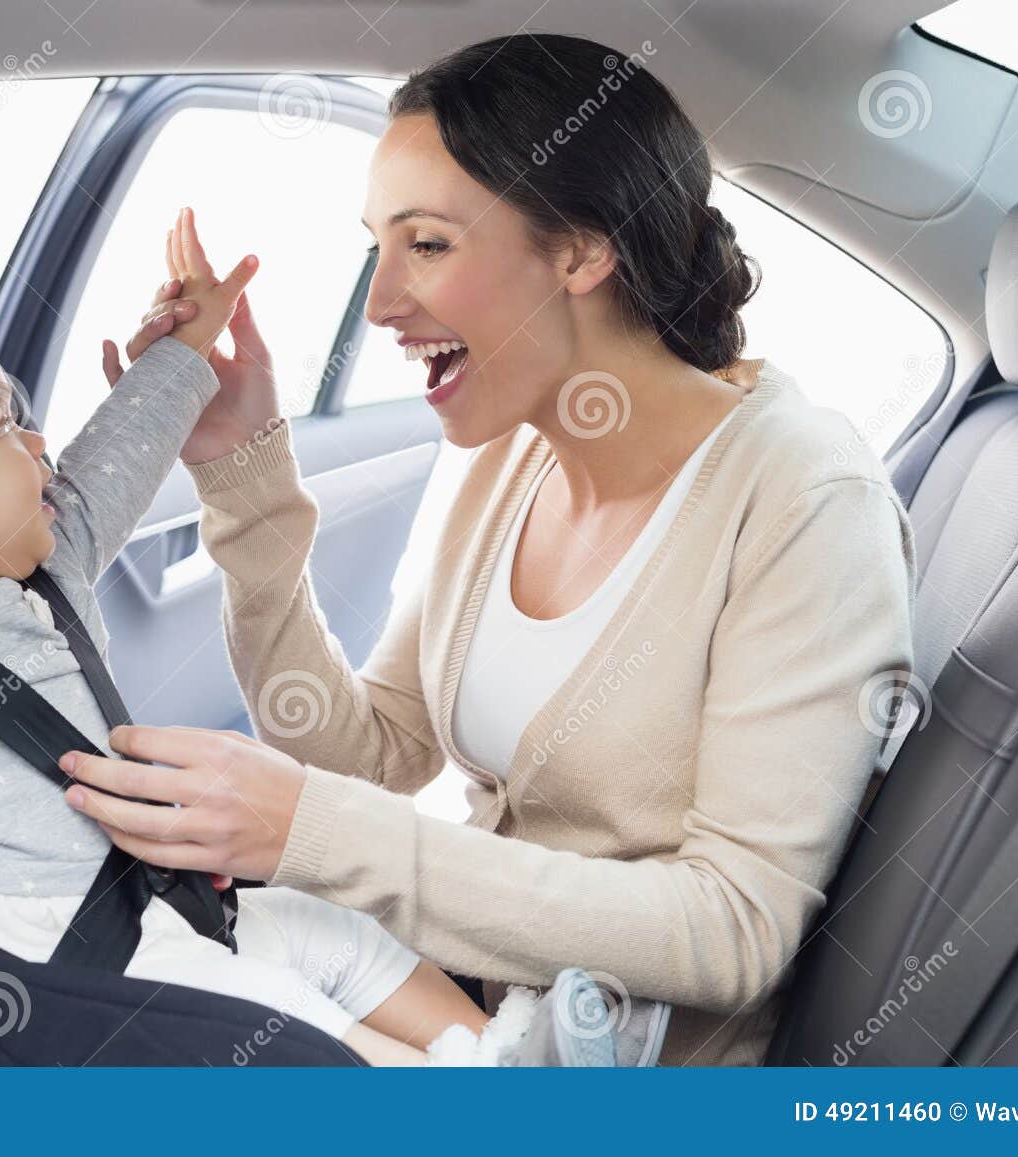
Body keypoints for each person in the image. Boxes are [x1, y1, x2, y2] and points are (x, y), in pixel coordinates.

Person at [61, 34, 917, 1066]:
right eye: (378, 247)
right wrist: (243, 472)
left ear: (581, 251)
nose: (379, 303)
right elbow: (373, 753)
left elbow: (733, 929)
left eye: (426, 245)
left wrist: (313, 831)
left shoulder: (803, 498)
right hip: (469, 1011)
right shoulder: (511, 453)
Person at [0, 210, 622, 1066]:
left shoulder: (44, 565)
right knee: (282, 1012)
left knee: (327, 927)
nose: (39, 443)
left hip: (157, 909)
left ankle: (511, 1060)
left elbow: (115, 456)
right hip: (60, 974)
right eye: (0, 425)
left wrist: (187, 351)